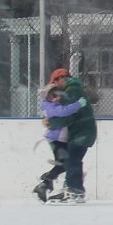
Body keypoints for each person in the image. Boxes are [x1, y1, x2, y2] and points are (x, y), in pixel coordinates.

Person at [46, 70, 97, 204]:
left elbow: (68, 115)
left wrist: (51, 123)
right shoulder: (73, 89)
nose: (57, 86)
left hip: (82, 132)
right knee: (72, 160)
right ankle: (71, 188)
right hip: (82, 132)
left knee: (71, 160)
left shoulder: (72, 90)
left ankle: (75, 190)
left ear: (61, 78)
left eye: (56, 82)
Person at [33, 81, 89, 202]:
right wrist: (79, 104)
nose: (56, 98)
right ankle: (46, 181)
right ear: (47, 98)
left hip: (61, 140)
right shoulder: (48, 107)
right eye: (52, 96)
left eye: (58, 95)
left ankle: (46, 183)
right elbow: (63, 111)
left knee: (64, 164)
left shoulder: (55, 104)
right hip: (55, 139)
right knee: (64, 163)